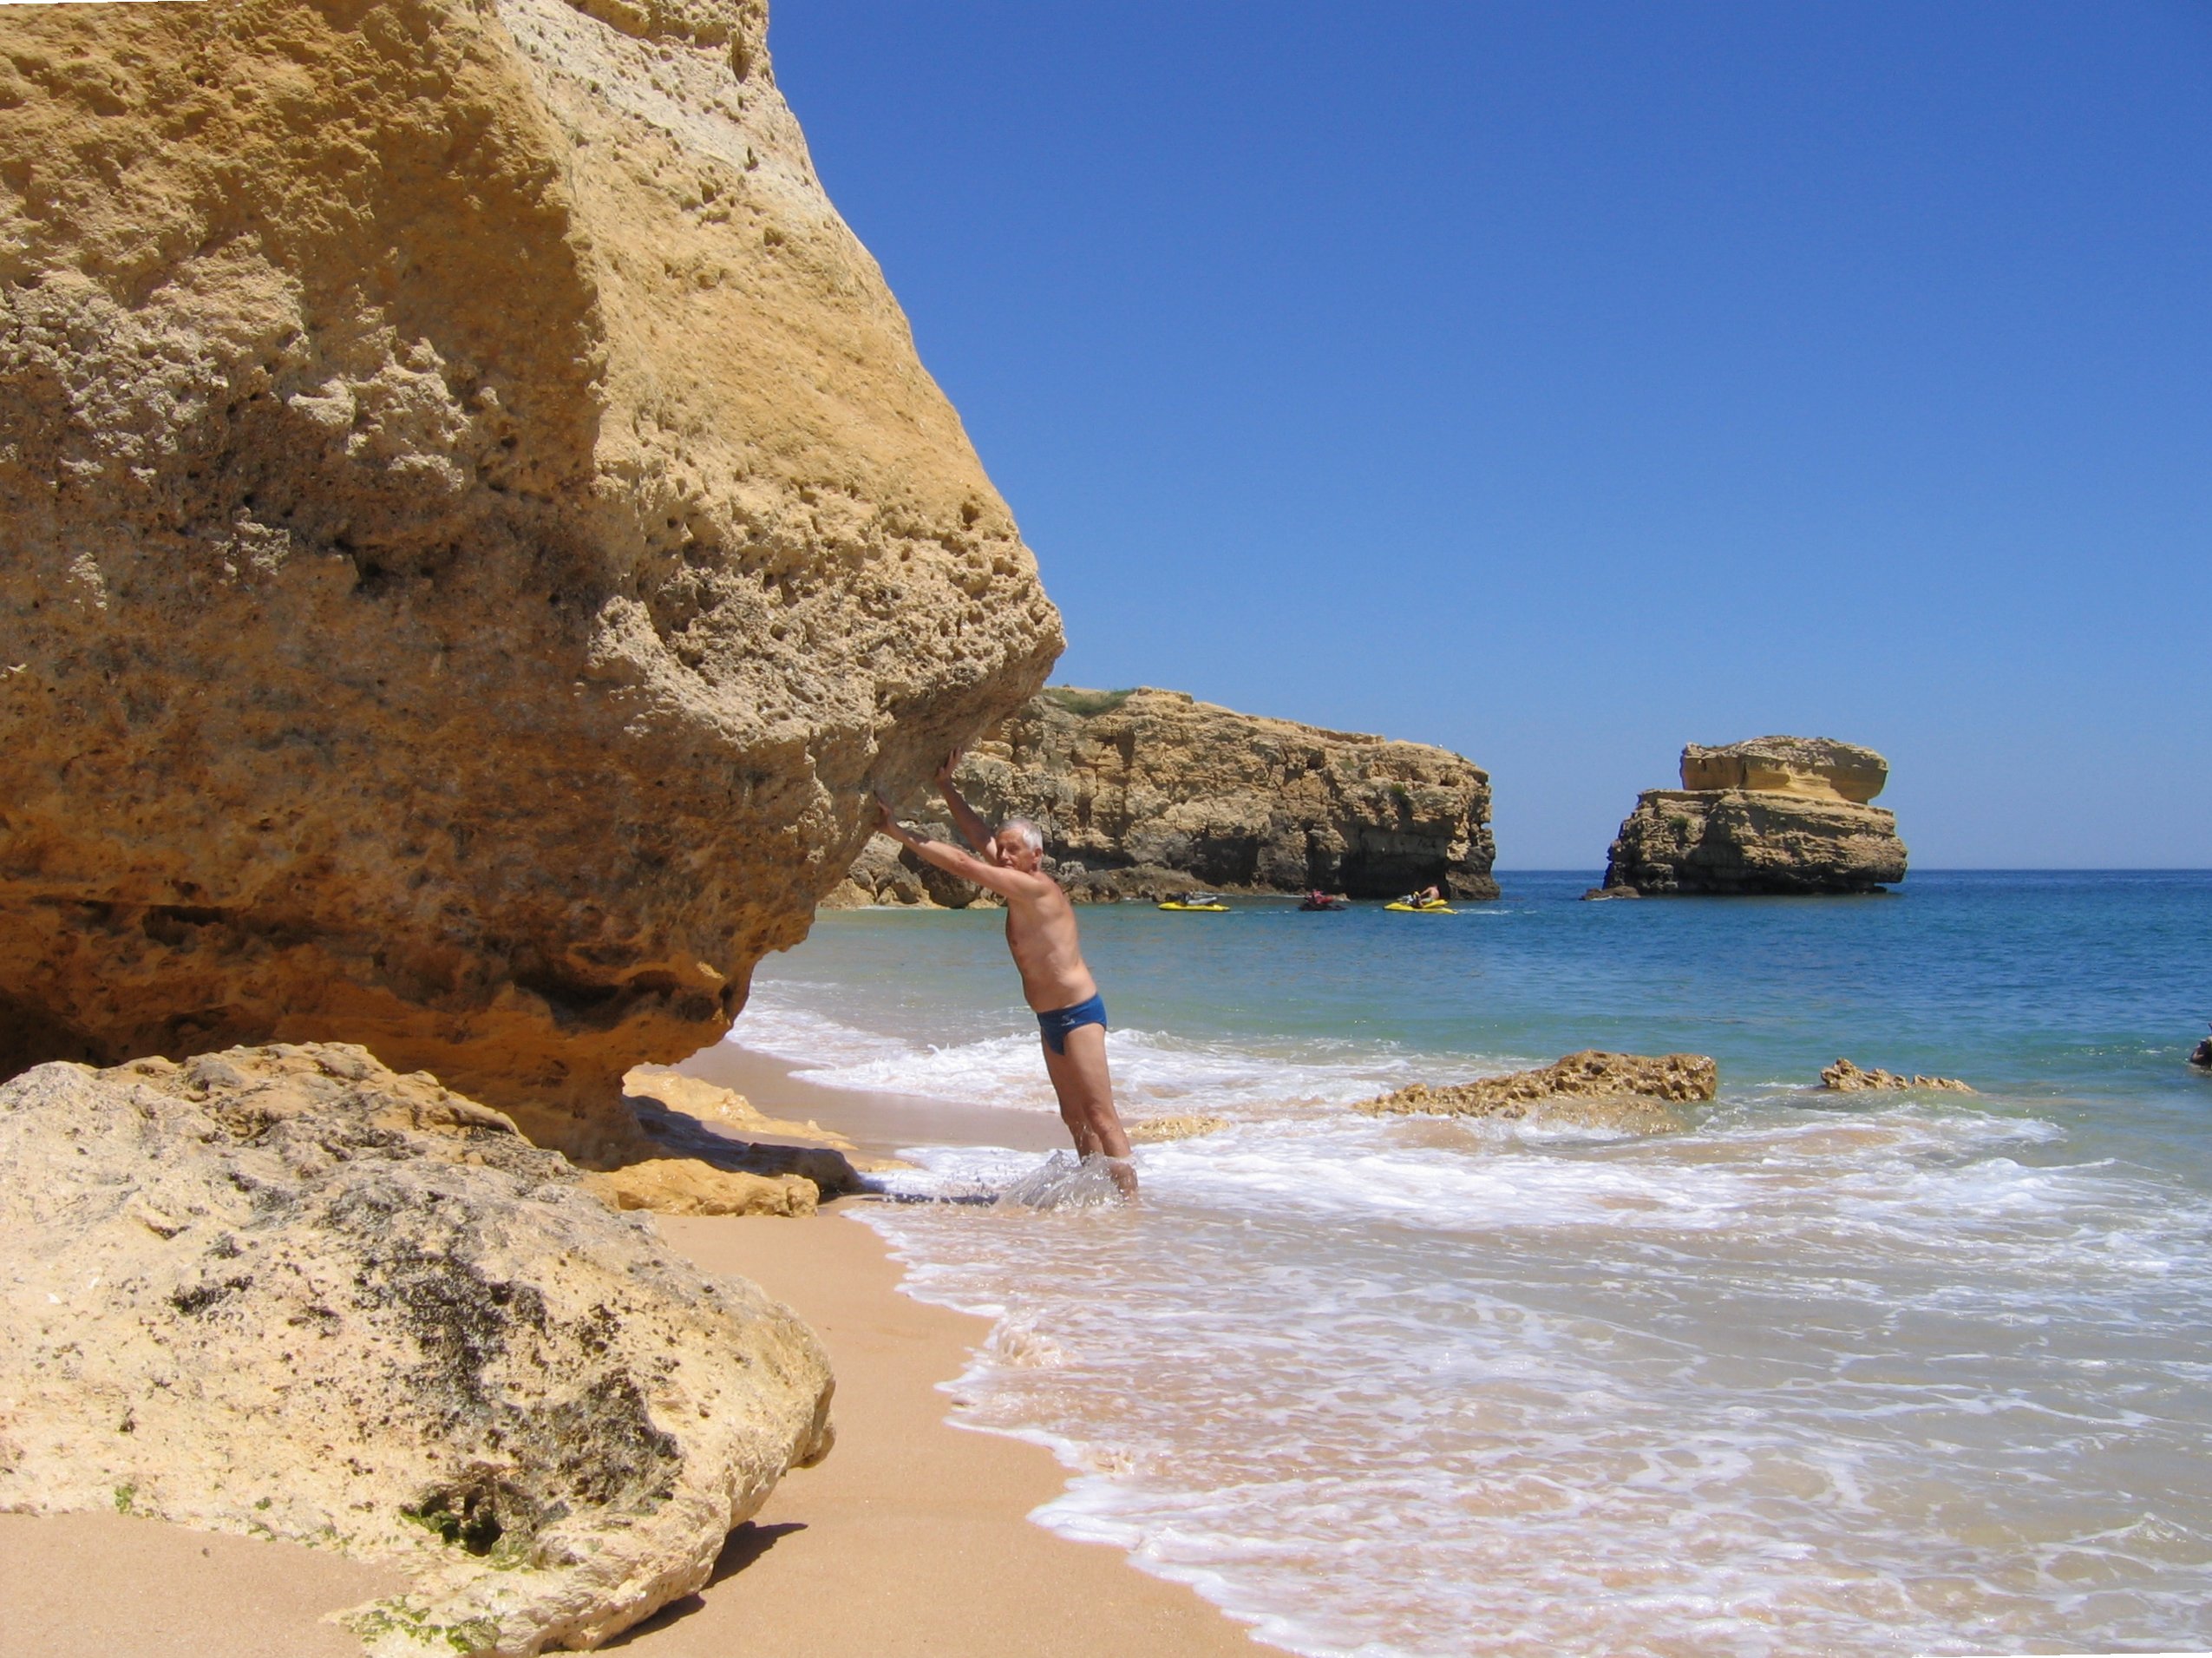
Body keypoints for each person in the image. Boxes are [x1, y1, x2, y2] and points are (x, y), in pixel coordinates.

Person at [876, 752, 1137, 1197]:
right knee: (1072, 1117)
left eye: (1012, 850)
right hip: (1049, 1019)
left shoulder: (1035, 887)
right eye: (1003, 850)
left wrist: (896, 831)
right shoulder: (1013, 871)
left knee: (1099, 1114)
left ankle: (1130, 1208)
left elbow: (963, 862)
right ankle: (1095, 1199)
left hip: (1079, 1013)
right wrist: (946, 786)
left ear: (1036, 855)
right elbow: (978, 836)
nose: (1004, 856)